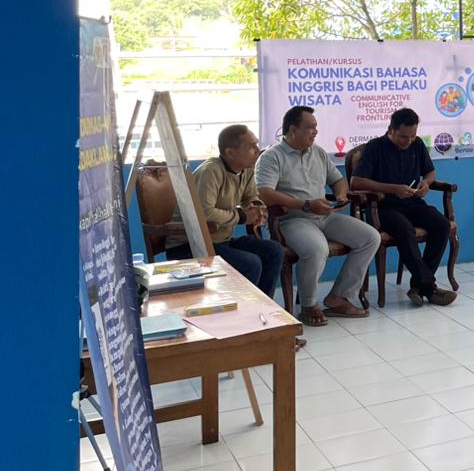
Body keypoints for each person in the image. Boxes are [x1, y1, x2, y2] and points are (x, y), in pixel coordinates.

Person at [254, 106, 381, 327]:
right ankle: (309, 305)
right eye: (310, 127)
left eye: (316, 127)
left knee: (370, 237)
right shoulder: (272, 157)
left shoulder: (318, 152)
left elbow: (338, 181)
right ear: (292, 130)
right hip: (291, 219)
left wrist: (340, 195)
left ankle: (339, 297)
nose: (315, 132)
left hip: (324, 216)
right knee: (316, 249)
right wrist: (305, 205)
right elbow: (264, 193)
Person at [350, 108, 458, 308]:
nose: (408, 141)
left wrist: (426, 183)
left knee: (441, 224)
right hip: (383, 207)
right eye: (403, 137)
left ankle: (418, 286)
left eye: (412, 136)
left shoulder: (417, 144)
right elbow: (356, 182)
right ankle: (429, 287)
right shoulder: (375, 147)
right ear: (390, 130)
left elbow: (430, 172)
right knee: (404, 229)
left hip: (412, 203)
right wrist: (392, 189)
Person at [166, 124, 285, 302]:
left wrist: (257, 207)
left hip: (220, 241)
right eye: (250, 147)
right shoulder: (211, 171)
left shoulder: (246, 169)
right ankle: (243, 310)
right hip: (190, 245)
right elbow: (205, 213)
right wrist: (243, 216)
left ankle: (262, 306)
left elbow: (250, 196)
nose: (257, 150)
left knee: (274, 250)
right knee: (251, 263)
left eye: (256, 144)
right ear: (230, 153)